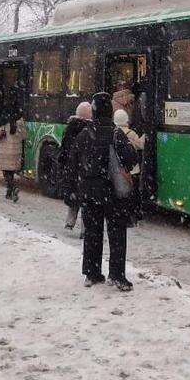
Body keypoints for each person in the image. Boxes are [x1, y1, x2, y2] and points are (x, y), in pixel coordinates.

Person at [74, 92, 138, 291]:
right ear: (110, 112)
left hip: (91, 192)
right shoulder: (116, 133)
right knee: (117, 233)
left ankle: (92, 274)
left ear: (93, 111)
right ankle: (117, 276)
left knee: (93, 232)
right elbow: (131, 159)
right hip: (113, 193)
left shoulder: (85, 133)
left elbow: (73, 161)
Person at [58, 102, 92, 230]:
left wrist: (64, 166)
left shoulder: (70, 128)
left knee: (73, 194)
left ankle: (70, 221)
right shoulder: (90, 130)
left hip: (72, 168)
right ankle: (85, 228)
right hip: (85, 168)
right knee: (86, 199)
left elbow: (64, 149)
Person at [113, 109, 145, 226]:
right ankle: (133, 215)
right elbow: (141, 145)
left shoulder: (114, 132)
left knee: (122, 193)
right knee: (133, 192)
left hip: (120, 170)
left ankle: (122, 214)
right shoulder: (131, 133)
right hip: (132, 169)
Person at [0, 110, 26, 202]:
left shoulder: (3, 121)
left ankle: (12, 188)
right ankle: (9, 192)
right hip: (16, 151)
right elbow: (24, 136)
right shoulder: (20, 121)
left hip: (5, 151)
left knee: (6, 172)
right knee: (11, 172)